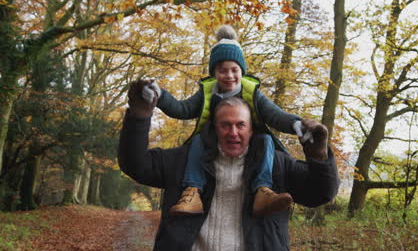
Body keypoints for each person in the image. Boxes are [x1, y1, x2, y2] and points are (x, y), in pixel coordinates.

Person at [119, 88, 340, 250]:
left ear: (251, 130)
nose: (233, 132)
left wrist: (318, 155)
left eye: (240, 125)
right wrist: (139, 117)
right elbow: (136, 165)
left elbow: (320, 193)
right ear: (215, 129)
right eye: (225, 125)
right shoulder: (185, 160)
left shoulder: (276, 165)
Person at [142, 25, 308, 217]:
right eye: (222, 70)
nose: (229, 76)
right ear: (214, 73)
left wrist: (296, 124)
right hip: (214, 140)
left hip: (249, 141)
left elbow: (275, 115)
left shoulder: (252, 92)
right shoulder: (207, 91)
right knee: (197, 141)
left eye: (234, 70)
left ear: (241, 71)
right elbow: (183, 109)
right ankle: (193, 192)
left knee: (266, 141)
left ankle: (263, 190)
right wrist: (160, 96)